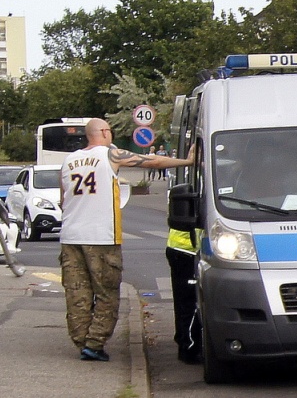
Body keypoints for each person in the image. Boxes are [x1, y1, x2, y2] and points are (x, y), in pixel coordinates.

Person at [59, 118, 195, 362]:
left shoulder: (68, 161)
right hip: (101, 236)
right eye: (109, 130)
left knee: (77, 293)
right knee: (107, 292)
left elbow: (63, 199)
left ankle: (81, 341)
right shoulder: (111, 155)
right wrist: (186, 161)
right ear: (103, 132)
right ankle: (95, 342)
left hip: (70, 236)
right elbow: (152, 160)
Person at [167, 226, 202, 364]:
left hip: (180, 248)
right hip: (188, 249)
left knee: (182, 300)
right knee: (191, 301)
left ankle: (183, 340)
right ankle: (189, 347)